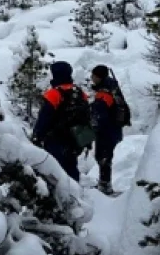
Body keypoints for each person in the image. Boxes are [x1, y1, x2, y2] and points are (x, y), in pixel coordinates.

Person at [32, 61, 92, 182]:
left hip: (57, 139)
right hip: (76, 139)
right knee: (71, 167)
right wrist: (86, 140)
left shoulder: (54, 94)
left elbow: (44, 118)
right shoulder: (80, 93)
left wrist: (36, 136)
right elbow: (87, 116)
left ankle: (59, 197)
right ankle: (75, 194)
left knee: (55, 171)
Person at [90, 65, 129, 195]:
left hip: (106, 131)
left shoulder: (103, 93)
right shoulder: (113, 88)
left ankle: (105, 185)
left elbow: (100, 116)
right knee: (106, 157)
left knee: (103, 157)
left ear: (99, 77)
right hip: (114, 129)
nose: (92, 78)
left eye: (94, 76)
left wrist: (92, 125)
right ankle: (104, 183)